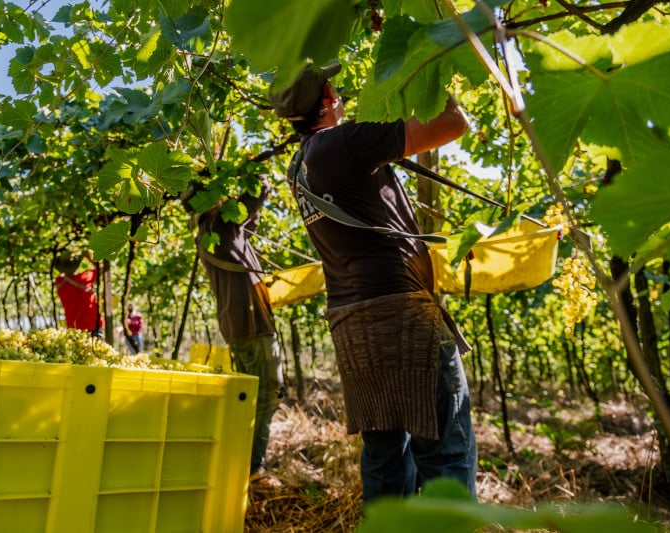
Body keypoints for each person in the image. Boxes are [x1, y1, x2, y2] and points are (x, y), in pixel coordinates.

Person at [268, 60, 477, 503]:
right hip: (401, 317)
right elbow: (453, 123)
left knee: (385, 456)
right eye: (334, 86)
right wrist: (425, 65)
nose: (340, 91)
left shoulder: (299, 164)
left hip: (353, 324)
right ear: (327, 99)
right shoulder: (341, 142)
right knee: (446, 455)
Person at [189, 177, 286, 485]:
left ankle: (244, 462)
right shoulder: (220, 226)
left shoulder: (213, 232)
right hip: (251, 324)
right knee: (267, 395)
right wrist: (258, 175)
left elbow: (248, 224)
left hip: (240, 326)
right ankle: (253, 469)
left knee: (253, 396)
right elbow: (254, 195)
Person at [53, 249, 104, 337]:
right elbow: (102, 268)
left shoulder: (59, 282)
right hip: (92, 325)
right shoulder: (84, 278)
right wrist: (88, 257)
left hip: (73, 328)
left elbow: (62, 275)